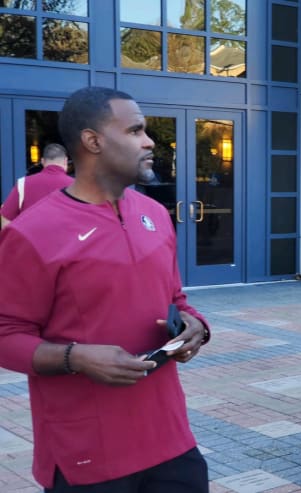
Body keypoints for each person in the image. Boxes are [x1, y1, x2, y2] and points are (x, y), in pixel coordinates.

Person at [0, 87, 211, 493]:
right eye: (135, 131)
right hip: (86, 454)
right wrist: (75, 357)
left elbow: (176, 300)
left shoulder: (154, 215)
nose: (149, 141)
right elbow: (5, 335)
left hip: (170, 438)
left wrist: (195, 325)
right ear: (92, 141)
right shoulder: (32, 233)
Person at [0, 143, 73, 229]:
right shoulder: (75, 186)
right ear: (65, 161)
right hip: (64, 241)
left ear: (42, 161)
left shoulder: (23, 183)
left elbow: (6, 218)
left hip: (29, 241)